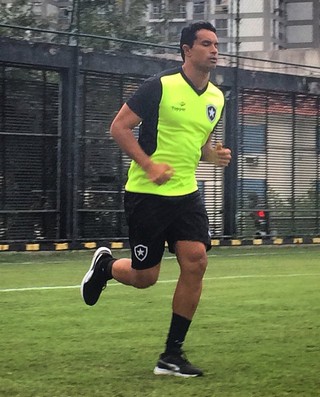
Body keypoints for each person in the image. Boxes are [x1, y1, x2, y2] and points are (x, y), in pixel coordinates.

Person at [81, 21, 231, 378]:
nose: (214, 50)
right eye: (206, 44)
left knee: (195, 262)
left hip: (186, 193)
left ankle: (171, 356)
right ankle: (105, 268)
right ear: (186, 50)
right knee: (145, 277)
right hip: (147, 194)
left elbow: (200, 146)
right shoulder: (159, 86)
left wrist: (213, 157)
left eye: (216, 44)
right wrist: (148, 165)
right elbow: (118, 126)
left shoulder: (216, 97)